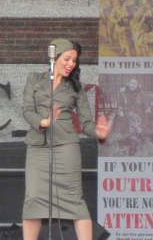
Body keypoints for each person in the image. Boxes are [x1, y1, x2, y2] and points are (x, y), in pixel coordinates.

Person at [22, 38, 113, 240]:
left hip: (66, 146)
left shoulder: (76, 88)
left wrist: (98, 133)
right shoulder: (34, 79)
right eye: (67, 58)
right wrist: (44, 122)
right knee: (34, 199)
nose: (72, 63)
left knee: (75, 201)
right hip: (37, 145)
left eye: (75, 60)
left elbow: (87, 123)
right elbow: (27, 110)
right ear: (54, 57)